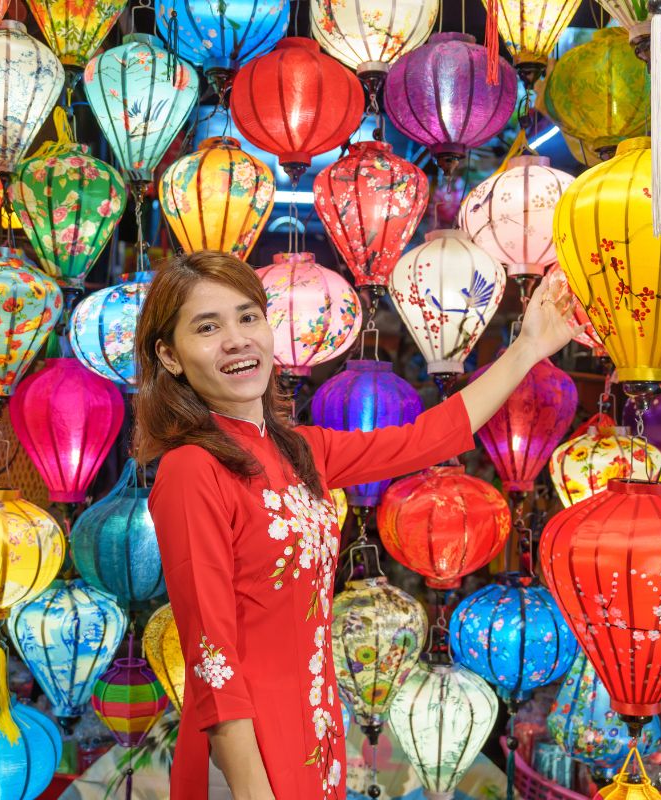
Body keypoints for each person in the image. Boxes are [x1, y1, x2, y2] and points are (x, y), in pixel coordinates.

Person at [134, 251, 581, 800]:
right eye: (208, 327)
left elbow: (427, 439)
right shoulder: (191, 469)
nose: (236, 339)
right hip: (247, 753)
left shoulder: (299, 450)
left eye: (248, 317)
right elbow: (210, 652)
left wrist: (529, 347)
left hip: (316, 728)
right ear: (169, 355)